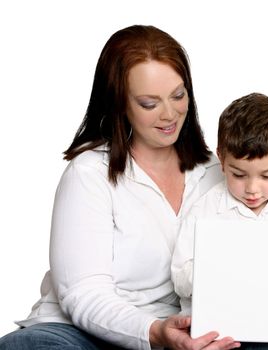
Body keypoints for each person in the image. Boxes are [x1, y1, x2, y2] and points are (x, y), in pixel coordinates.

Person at [0, 25, 240, 350]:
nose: (170, 114)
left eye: (178, 95)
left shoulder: (218, 172)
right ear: (120, 104)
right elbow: (83, 294)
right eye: (148, 103)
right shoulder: (89, 174)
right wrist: (154, 333)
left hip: (184, 331)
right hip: (82, 333)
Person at [171, 92, 268, 350]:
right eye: (239, 174)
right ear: (221, 159)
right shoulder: (205, 210)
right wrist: (224, 273)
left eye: (267, 176)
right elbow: (180, 276)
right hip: (219, 334)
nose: (252, 189)